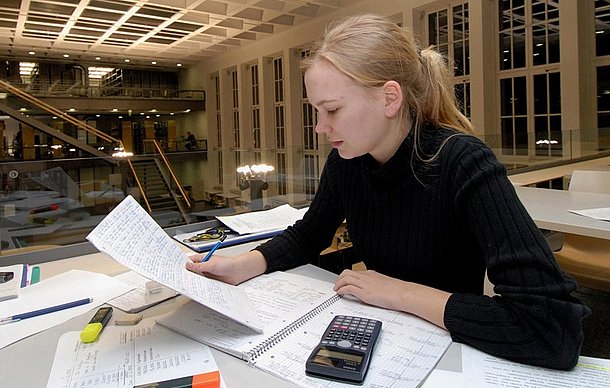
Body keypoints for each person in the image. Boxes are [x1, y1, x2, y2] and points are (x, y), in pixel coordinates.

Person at [186, 14, 589, 370]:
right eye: (316, 111)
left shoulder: (462, 161)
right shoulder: (348, 161)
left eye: (333, 109)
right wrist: (245, 263)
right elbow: (309, 235)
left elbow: (551, 328)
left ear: (389, 98)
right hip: (387, 331)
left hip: (446, 351)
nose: (320, 128)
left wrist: (399, 292)